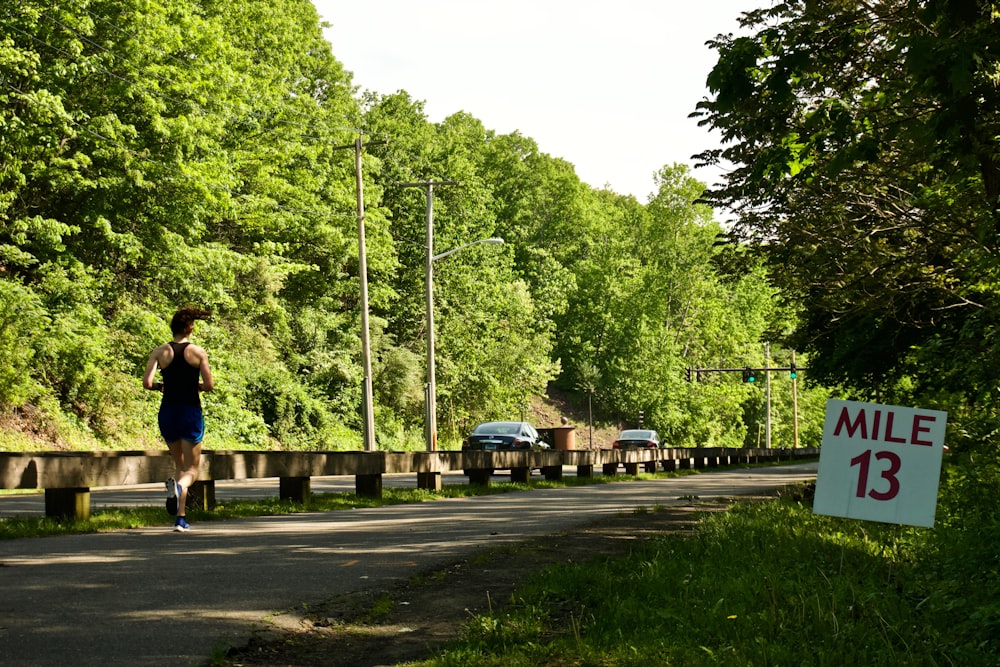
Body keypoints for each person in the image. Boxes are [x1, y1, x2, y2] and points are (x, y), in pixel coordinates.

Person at [143, 307, 214, 532]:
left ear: (172, 328)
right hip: (190, 412)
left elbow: (147, 383)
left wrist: (160, 387)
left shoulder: (160, 352)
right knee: (192, 470)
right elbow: (209, 385)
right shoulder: (198, 352)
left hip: (168, 413)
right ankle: (179, 493)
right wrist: (199, 386)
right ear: (190, 328)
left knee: (179, 466)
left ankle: (180, 518)